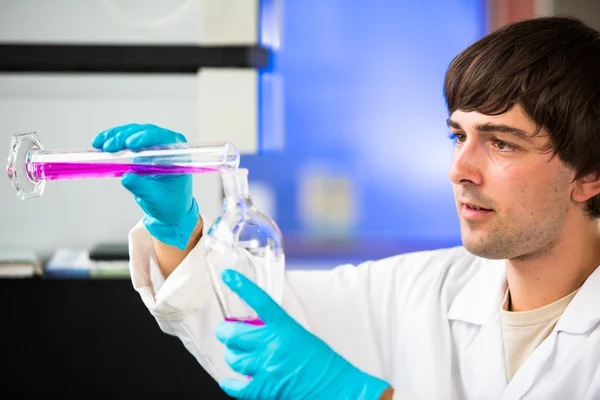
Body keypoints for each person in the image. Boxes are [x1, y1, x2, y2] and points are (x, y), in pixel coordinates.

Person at [92, 15, 600, 400]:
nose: (459, 169)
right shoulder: (426, 290)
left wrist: (360, 394)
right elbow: (252, 321)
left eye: (502, 144)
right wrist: (177, 229)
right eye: (458, 135)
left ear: (589, 175)